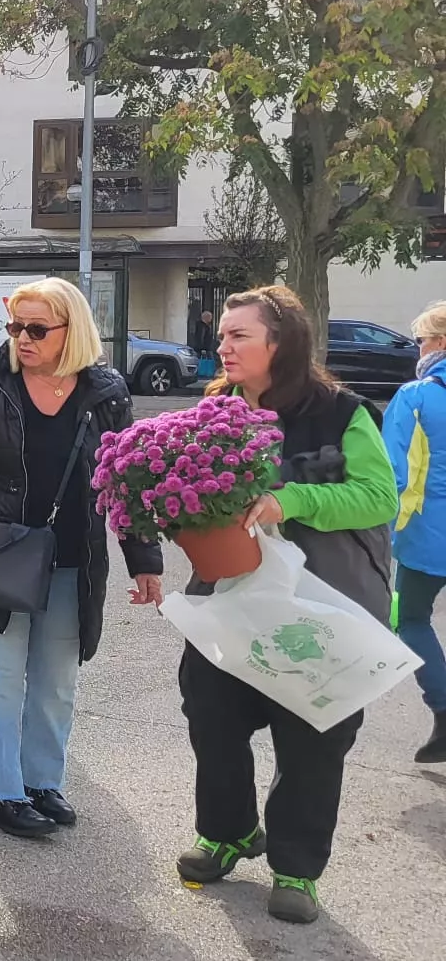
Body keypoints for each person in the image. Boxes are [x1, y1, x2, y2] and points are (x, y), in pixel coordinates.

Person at [169, 285, 399, 924]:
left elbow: (378, 497)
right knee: (212, 721)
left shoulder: (341, 412)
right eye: (224, 335)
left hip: (321, 608)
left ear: (281, 343)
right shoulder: (215, 407)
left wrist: (291, 500)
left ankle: (296, 869)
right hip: (229, 600)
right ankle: (228, 832)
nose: (224, 345)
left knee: (311, 741)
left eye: (240, 335)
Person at [0, 277, 163, 841]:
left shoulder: (104, 393)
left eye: (35, 329)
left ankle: (41, 782)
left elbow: (124, 483)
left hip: (71, 555)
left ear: (70, 331)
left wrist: (144, 558)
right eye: (14, 327)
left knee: (56, 681)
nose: (21, 339)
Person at [383, 300, 446, 763]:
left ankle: (444, 710)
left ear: (440, 343)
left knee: (412, 619)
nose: (418, 349)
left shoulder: (417, 396)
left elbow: (393, 476)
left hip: (427, 535)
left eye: (422, 340)